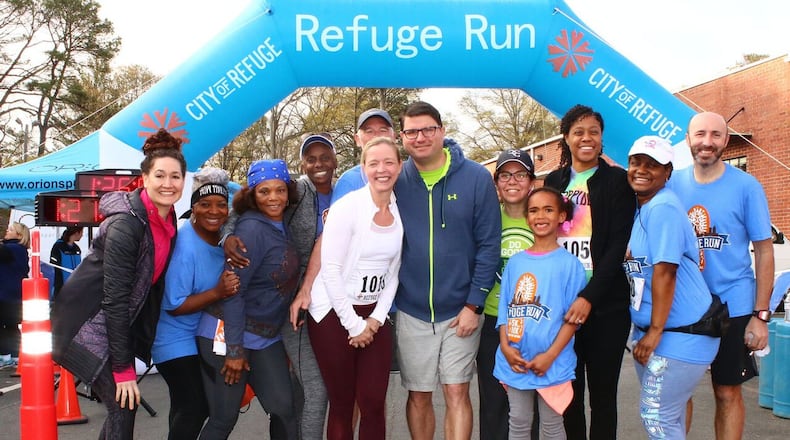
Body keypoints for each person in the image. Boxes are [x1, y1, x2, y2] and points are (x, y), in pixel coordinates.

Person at [52, 128, 186, 440]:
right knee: (122, 403)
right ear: (145, 178)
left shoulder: (167, 220)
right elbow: (115, 298)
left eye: (175, 177)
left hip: (108, 324)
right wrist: (124, 369)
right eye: (160, 176)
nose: (168, 184)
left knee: (122, 406)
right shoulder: (127, 224)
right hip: (80, 326)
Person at [393, 101, 500, 440]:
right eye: (412, 131)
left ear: (442, 131)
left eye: (428, 129)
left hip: (461, 311)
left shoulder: (477, 178)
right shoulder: (395, 179)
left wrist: (474, 305)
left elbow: (489, 246)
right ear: (402, 136)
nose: (420, 137)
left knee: (456, 392)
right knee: (419, 394)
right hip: (412, 310)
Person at [666, 111, 774, 440]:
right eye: (700, 134)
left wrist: (761, 316)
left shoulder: (747, 187)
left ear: (726, 141)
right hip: (684, 308)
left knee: (726, 393)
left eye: (715, 135)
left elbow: (765, 251)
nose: (707, 142)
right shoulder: (672, 184)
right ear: (688, 139)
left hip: (734, 305)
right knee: (676, 396)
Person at [225, 133, 337, 439]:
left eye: (325, 156)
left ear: (336, 159)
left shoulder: (346, 190)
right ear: (301, 163)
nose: (319, 164)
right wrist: (228, 236)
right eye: (310, 158)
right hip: (291, 309)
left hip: (329, 302)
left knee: (297, 393)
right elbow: (241, 209)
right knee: (313, 385)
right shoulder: (297, 189)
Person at [544, 104, 636, 440]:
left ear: (601, 139)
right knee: (567, 396)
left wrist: (589, 298)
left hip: (605, 307)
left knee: (602, 398)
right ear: (566, 137)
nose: (587, 138)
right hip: (560, 307)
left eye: (594, 132)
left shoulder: (617, 181)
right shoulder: (553, 181)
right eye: (579, 132)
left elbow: (616, 247)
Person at [623, 135, 720, 439]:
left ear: (667, 172)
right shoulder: (645, 208)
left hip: (679, 334)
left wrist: (653, 332)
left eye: (653, 165)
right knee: (669, 419)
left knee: (658, 418)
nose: (642, 169)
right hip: (663, 334)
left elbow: (665, 271)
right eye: (636, 162)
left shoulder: (662, 207)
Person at [308, 136, 403, 439]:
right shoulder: (347, 207)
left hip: (374, 314)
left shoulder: (400, 210)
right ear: (363, 169)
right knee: (343, 403)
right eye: (373, 163)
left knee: (374, 403)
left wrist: (374, 320)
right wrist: (354, 325)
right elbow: (331, 270)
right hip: (334, 315)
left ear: (400, 167)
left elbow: (394, 273)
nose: (382, 169)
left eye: (389, 162)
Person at [198, 159, 299, 439]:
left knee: (284, 409)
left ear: (289, 192)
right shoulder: (251, 230)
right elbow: (233, 292)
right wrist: (234, 350)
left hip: (266, 336)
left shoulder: (282, 223)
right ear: (252, 194)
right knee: (224, 418)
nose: (273, 198)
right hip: (228, 334)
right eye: (264, 191)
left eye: (280, 190)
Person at [151, 168, 240, 439]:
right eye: (204, 205)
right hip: (173, 339)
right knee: (195, 405)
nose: (213, 211)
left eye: (221, 205)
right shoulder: (184, 245)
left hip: (200, 335)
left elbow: (244, 196)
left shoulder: (222, 238)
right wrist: (217, 292)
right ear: (193, 208)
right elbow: (174, 305)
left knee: (183, 406)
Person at [494, 187, 586, 440]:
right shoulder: (515, 262)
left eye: (548, 209)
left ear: (561, 216)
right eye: (533, 210)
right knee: (519, 422)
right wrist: (505, 347)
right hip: (516, 360)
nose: (540, 216)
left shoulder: (570, 265)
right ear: (526, 217)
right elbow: (505, 310)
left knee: (552, 426)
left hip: (553, 363)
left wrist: (550, 356)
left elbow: (572, 320)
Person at [478, 149, 536, 440]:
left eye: (521, 174)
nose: (513, 181)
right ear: (497, 182)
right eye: (505, 175)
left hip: (535, 324)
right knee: (493, 403)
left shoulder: (543, 219)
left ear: (532, 182)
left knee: (532, 405)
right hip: (492, 319)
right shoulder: (487, 219)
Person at [0, 222, 30, 363]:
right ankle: (14, 355)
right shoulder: (20, 250)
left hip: (5, 295)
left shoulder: (13, 249)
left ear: (18, 235)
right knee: (11, 326)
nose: (7, 230)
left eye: (10, 229)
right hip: (16, 295)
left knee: (5, 326)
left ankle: (5, 355)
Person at [49, 226, 83, 297]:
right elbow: (53, 268)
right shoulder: (58, 247)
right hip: (61, 290)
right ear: (77, 233)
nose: (82, 235)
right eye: (81, 232)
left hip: (76, 290)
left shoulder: (77, 249)